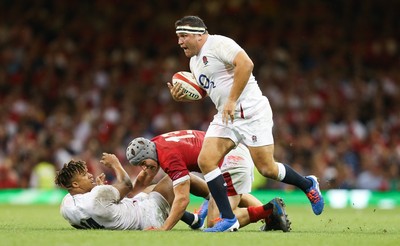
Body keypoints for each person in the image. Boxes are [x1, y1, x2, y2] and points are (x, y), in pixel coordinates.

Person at [168, 16, 324, 232]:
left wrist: (232, 100)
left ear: (199, 34)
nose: (180, 42)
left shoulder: (219, 43)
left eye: (183, 36)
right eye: (178, 37)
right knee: (206, 160)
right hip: (227, 116)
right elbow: (208, 90)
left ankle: (308, 184)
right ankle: (228, 218)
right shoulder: (194, 62)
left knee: (267, 168)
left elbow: (246, 64)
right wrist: (183, 97)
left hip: (251, 112)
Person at [126, 129, 290, 231]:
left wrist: (164, 228)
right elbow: (145, 177)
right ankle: (271, 217)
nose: (144, 169)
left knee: (214, 223)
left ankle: (269, 210)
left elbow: (183, 199)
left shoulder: (169, 158)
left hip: (230, 160)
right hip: (232, 152)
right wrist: (131, 194)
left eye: (143, 163)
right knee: (225, 193)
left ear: (148, 154)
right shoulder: (155, 144)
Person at [55, 153, 174, 230]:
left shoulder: (66, 206)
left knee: (149, 189)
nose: (90, 175)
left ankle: (190, 217)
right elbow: (127, 185)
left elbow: (98, 208)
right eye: (85, 175)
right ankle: (190, 218)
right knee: (177, 178)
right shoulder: (97, 197)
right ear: (75, 184)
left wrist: (100, 189)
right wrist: (115, 163)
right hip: (147, 216)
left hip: (131, 208)